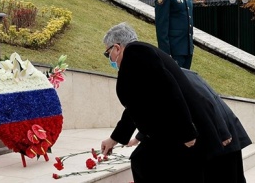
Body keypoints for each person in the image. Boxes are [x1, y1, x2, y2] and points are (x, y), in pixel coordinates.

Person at [100, 22, 244, 183]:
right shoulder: (143, 53)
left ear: (117, 48)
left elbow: (170, 91)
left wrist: (186, 132)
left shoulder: (135, 53)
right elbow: (136, 105)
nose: (110, 59)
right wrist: (115, 138)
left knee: (143, 161)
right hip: (176, 130)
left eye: (108, 53)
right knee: (144, 161)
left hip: (181, 131)